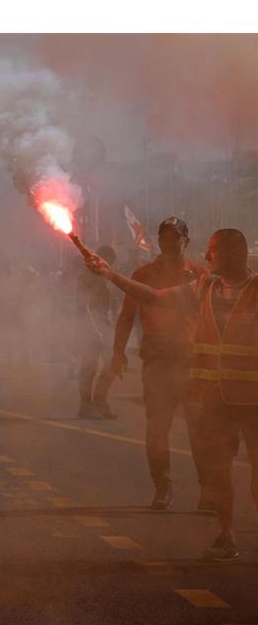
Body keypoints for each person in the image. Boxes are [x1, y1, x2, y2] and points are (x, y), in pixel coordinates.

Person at [84, 228, 258, 561]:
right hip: (215, 398)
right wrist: (109, 273)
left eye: (214, 250)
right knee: (219, 468)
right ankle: (226, 535)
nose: (208, 257)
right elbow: (153, 297)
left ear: (235, 254)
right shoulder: (205, 286)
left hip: (253, 400)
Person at [110, 217, 209, 511]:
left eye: (175, 238)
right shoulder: (143, 274)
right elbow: (127, 315)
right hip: (157, 363)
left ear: (186, 242)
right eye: (164, 238)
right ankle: (162, 488)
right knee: (157, 430)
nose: (169, 243)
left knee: (200, 432)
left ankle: (209, 491)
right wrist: (118, 352)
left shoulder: (199, 274)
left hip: (193, 364)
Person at [77, 244, 118, 419]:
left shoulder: (109, 278)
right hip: (90, 327)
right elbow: (84, 305)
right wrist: (95, 329)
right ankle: (86, 405)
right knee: (89, 367)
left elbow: (113, 304)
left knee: (112, 365)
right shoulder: (87, 278)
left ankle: (100, 400)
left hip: (105, 326)